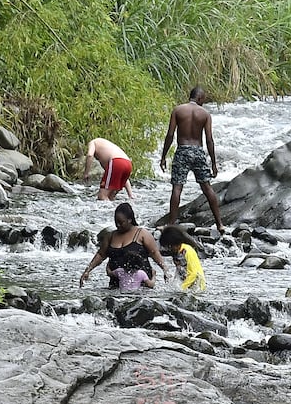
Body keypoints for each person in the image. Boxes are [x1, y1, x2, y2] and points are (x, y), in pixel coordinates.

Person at [159, 87, 225, 234]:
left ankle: (171, 224)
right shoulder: (205, 114)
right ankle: (220, 224)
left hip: (182, 150)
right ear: (200, 98)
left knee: (177, 188)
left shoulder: (178, 110)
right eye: (204, 99)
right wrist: (213, 163)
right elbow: (209, 140)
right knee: (207, 188)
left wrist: (163, 156)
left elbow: (170, 135)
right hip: (198, 151)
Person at [79, 203, 169, 290]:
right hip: (116, 285)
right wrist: (88, 270)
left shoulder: (142, 234)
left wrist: (165, 269)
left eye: (121, 222)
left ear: (130, 220)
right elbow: (101, 255)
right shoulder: (110, 236)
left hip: (141, 285)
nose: (118, 225)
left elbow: (154, 252)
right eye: (116, 222)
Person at [158, 226, 207, 292]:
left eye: (170, 246)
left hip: (197, 286)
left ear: (177, 243)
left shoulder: (187, 251)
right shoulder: (176, 252)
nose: (169, 249)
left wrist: (181, 288)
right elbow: (179, 270)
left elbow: (193, 274)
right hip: (187, 284)